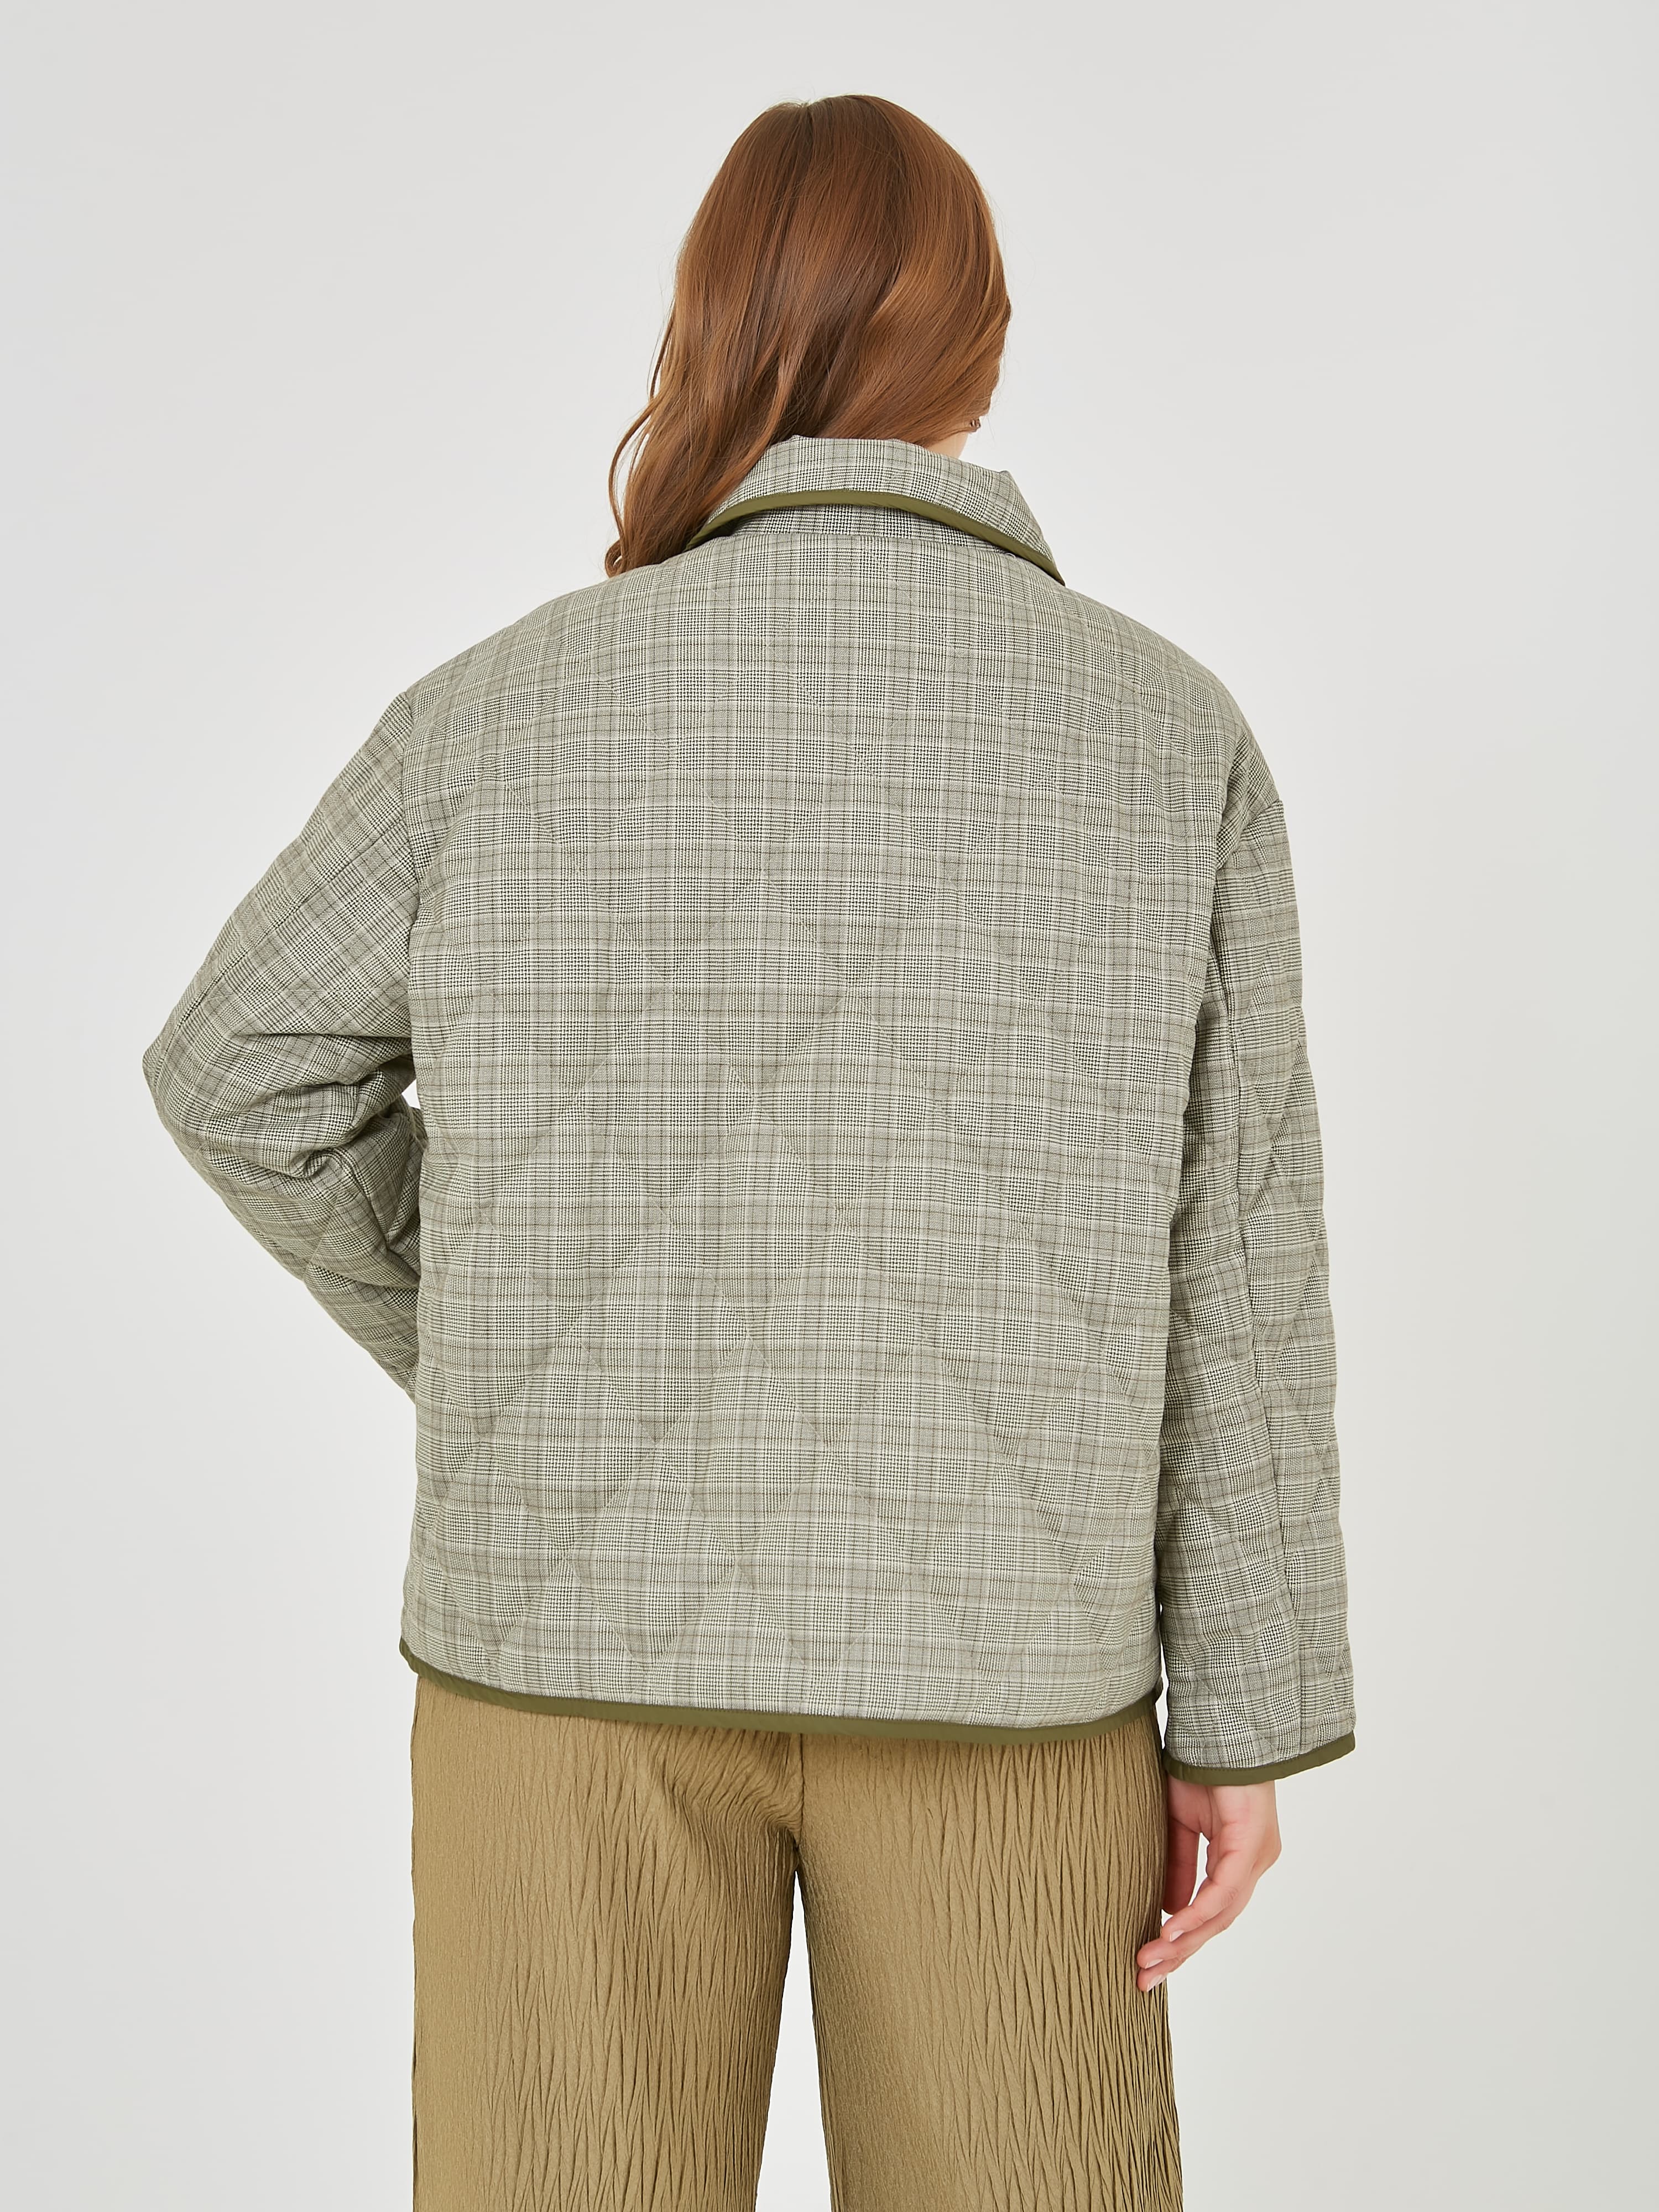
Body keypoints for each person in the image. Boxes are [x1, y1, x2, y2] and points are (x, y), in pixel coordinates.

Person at [142, 91, 1355, 2212]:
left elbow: (241, 1068)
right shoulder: (1170, 735)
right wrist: (1247, 1723)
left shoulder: (495, 712)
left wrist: (522, 1351)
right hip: (1012, 1676)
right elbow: (1239, 1263)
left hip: (563, 1669)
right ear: (981, 352)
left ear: (710, 327)